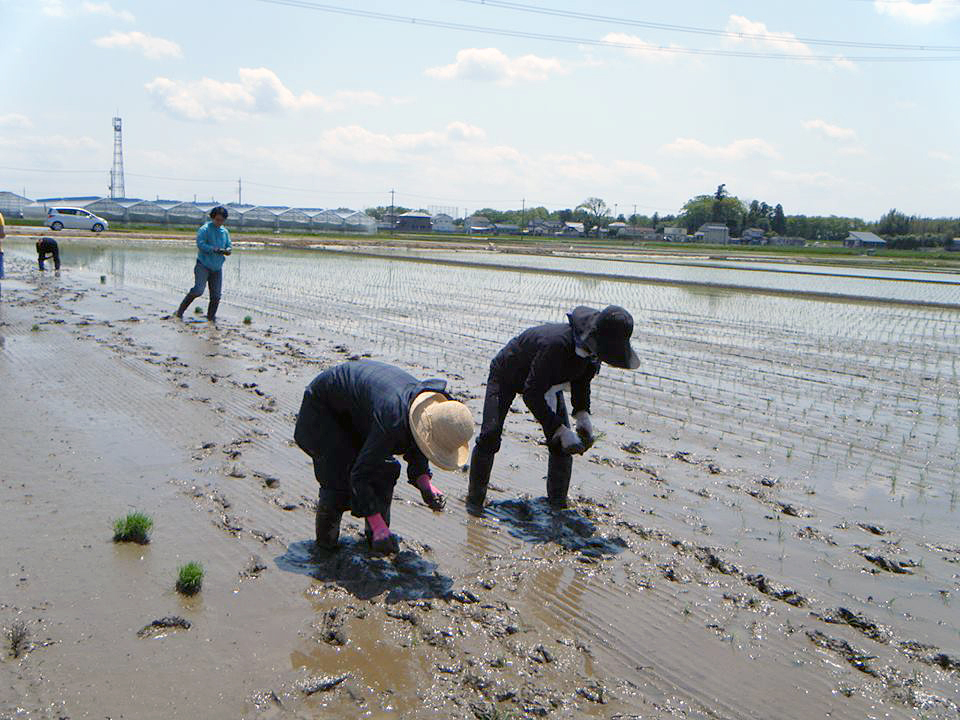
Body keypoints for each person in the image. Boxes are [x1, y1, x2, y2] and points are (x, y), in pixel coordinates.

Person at [467, 305, 640, 511]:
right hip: (507, 373)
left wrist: (582, 414)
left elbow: (581, 381)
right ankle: (475, 501)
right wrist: (559, 429)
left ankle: (557, 504)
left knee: (561, 445)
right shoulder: (556, 345)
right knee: (490, 434)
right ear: (594, 338)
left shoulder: (592, 355)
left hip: (548, 383)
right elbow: (532, 394)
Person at [294, 360, 474, 555]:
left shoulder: (425, 413)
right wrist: (377, 522)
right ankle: (325, 549)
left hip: (358, 412)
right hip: (324, 408)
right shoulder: (392, 419)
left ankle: (375, 540)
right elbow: (360, 476)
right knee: (337, 480)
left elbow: (419, 441)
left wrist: (424, 482)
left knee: (384, 472)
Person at [174, 206, 232, 322]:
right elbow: (200, 244)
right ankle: (180, 311)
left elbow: (228, 244)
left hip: (217, 267)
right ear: (212, 218)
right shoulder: (205, 229)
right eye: (217, 219)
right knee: (198, 290)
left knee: (216, 295)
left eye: (221, 220)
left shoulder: (224, 232)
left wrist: (228, 250)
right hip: (203, 265)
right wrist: (213, 249)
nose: (219, 222)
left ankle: (211, 318)